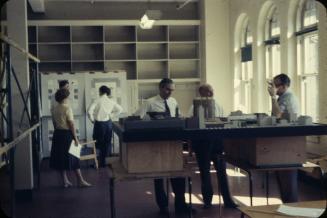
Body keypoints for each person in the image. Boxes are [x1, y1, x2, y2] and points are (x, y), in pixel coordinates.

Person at [135, 78, 195, 216]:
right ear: (161, 88)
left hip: (174, 142)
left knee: (178, 173)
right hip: (157, 143)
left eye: (172, 90)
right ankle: (163, 206)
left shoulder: (173, 102)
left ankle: (181, 204)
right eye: (168, 89)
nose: (170, 93)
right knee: (159, 175)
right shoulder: (149, 103)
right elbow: (137, 118)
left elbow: (178, 116)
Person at [190, 84, 237, 209]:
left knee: (222, 171)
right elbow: (192, 125)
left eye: (212, 91)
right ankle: (207, 201)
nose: (211, 94)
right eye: (208, 92)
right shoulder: (194, 107)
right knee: (204, 172)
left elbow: (223, 122)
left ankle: (228, 200)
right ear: (201, 93)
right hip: (202, 144)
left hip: (217, 143)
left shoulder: (218, 105)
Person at [267, 73, 299, 203]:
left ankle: (291, 210)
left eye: (275, 86)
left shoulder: (288, 98)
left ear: (284, 86)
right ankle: (287, 208)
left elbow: (278, 115)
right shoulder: (284, 97)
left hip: (288, 143)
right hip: (283, 141)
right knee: (282, 180)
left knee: (288, 181)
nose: (272, 88)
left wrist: (273, 97)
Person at [50, 88, 91, 188]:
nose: (69, 98)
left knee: (60, 158)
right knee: (74, 156)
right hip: (67, 135)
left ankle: (65, 181)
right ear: (65, 98)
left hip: (58, 135)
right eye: (68, 96)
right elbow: (71, 124)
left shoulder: (54, 109)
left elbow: (54, 124)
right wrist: (76, 139)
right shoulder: (67, 108)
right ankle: (80, 181)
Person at [87, 86, 123, 167]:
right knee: (107, 143)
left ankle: (100, 163)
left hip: (99, 124)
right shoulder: (111, 101)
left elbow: (89, 111)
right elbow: (120, 109)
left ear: (100, 92)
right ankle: (104, 162)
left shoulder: (97, 100)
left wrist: (92, 120)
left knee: (98, 143)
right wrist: (111, 115)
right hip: (108, 124)